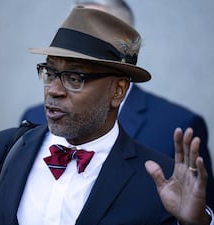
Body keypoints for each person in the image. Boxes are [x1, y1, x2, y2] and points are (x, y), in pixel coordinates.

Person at [0, 6, 213, 225]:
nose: (53, 90)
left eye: (74, 78)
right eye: (49, 72)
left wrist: (196, 223)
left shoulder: (161, 181)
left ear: (118, 91)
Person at [20, 0, 214, 208]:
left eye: (75, 77)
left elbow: (198, 208)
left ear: (126, 40)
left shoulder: (177, 125)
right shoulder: (32, 120)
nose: (79, 38)